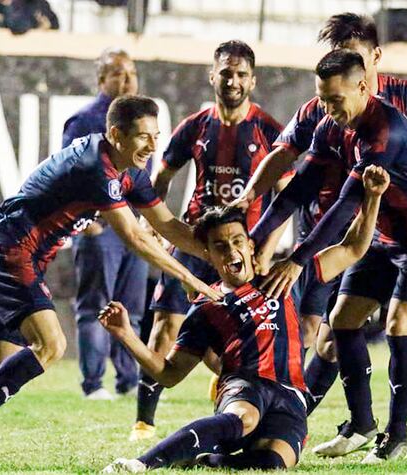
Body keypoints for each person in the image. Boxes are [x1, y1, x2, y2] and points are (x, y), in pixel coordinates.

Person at [0, 96, 223, 470]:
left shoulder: (130, 170)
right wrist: (190, 278)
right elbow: (136, 238)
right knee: (51, 344)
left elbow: (166, 224)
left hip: (15, 252)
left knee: (2, 372)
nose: (153, 146)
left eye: (156, 136)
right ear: (116, 134)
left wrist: (215, 257)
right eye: (143, 137)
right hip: (10, 252)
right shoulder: (97, 168)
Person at [230, 12, 407, 422]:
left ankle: (393, 433)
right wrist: (251, 234)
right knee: (333, 326)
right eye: (324, 97)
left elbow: (352, 200)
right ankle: (347, 423)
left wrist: (296, 259)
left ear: (368, 71)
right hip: (357, 229)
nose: (327, 106)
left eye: (335, 98)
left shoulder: (389, 119)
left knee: (391, 326)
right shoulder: (328, 116)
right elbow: (294, 179)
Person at [99, 164, 391, 473]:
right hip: (244, 387)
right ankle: (139, 464)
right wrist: (127, 335)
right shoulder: (207, 306)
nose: (230, 251)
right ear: (209, 255)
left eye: (237, 241)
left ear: (250, 246)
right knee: (245, 418)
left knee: (272, 464)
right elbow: (170, 374)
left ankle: (208, 460)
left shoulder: (286, 276)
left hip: (291, 395)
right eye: (220, 246)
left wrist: (372, 197)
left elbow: (353, 248)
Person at [132, 39, 286, 441]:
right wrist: (151, 220)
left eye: (240, 74)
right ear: (212, 75)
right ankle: (144, 422)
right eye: (225, 72)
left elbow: (286, 198)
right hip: (195, 244)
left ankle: (240, 400)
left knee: (240, 340)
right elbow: (161, 177)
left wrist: (265, 253)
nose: (232, 80)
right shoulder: (196, 126)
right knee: (166, 325)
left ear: (252, 80)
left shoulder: (268, 128)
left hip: (241, 251)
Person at [62, 48, 146, 401]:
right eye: (117, 73)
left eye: (131, 72)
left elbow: (144, 176)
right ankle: (93, 384)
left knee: (133, 309)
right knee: (96, 306)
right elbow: (67, 173)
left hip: (133, 226)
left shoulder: (142, 119)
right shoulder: (83, 120)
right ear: (101, 80)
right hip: (101, 227)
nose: (126, 79)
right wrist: (85, 224)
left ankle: (129, 381)